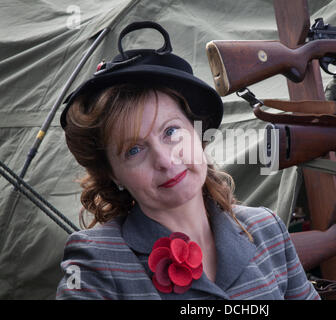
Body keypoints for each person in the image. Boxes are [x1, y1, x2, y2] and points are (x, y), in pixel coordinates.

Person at [56, 21, 319, 300]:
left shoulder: (267, 229)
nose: (166, 160)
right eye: (134, 150)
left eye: (171, 132)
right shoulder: (95, 261)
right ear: (113, 174)